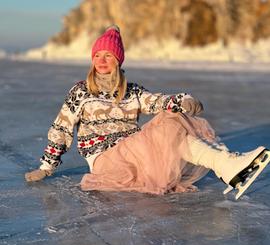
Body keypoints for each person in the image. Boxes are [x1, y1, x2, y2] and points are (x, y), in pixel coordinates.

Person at [25, 25, 269, 199]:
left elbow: (158, 101)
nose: (102, 60)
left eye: (108, 55)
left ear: (118, 60)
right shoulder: (81, 91)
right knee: (169, 125)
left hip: (137, 155)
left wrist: (182, 100)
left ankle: (226, 164)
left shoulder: (132, 91)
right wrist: (46, 167)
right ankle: (225, 164)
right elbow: (61, 128)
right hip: (106, 162)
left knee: (173, 117)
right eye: (97, 55)